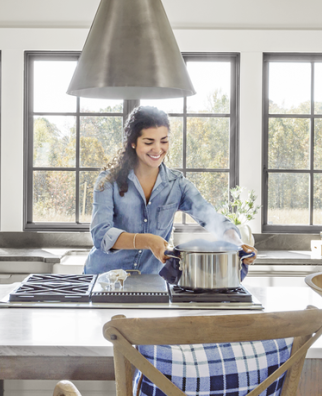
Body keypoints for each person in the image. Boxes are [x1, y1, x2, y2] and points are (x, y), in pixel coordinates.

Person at [84, 105, 256, 277]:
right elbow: (101, 234)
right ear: (133, 143)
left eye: (163, 140)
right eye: (149, 142)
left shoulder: (177, 184)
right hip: (103, 280)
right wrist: (148, 241)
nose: (158, 149)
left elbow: (211, 217)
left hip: (151, 283)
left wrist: (238, 243)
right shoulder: (108, 182)